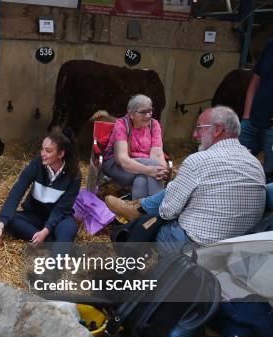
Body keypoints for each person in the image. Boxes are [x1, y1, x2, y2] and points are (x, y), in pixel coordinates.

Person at [105, 106, 266, 254]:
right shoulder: (256, 164)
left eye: (199, 129)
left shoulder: (198, 161)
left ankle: (137, 214)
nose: (194, 135)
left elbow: (168, 211)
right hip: (237, 252)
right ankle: (138, 208)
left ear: (217, 130)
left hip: (196, 249)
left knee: (151, 220)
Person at [0, 129, 80, 246]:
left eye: (48, 151)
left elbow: (61, 209)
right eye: (42, 149)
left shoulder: (74, 175)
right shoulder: (36, 165)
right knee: (10, 220)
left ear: (61, 154)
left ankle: (53, 253)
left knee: (69, 228)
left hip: (59, 219)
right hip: (35, 216)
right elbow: (16, 193)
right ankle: (52, 244)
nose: (42, 153)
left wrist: (46, 229)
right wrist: (0, 226)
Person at [102, 94, 168, 199]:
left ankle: (138, 213)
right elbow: (122, 160)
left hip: (145, 166)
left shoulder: (154, 125)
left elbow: (157, 154)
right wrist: (149, 170)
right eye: (143, 112)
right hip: (118, 166)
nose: (148, 116)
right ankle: (159, 207)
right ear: (131, 114)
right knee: (151, 168)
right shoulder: (122, 125)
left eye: (150, 111)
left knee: (141, 179)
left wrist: (161, 170)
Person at [241, 37, 273, 184]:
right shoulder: (270, 45)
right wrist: (247, 116)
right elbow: (255, 82)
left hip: (271, 129)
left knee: (269, 173)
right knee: (237, 164)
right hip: (252, 121)